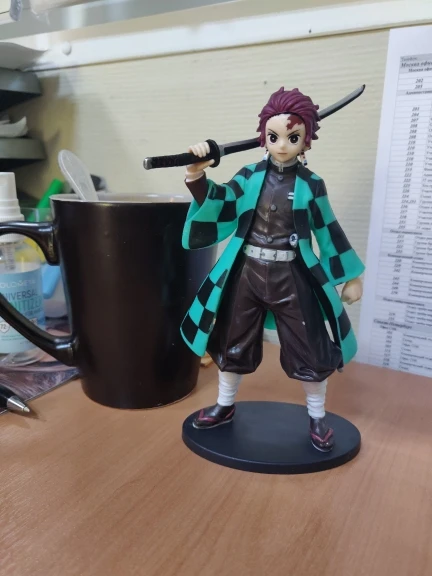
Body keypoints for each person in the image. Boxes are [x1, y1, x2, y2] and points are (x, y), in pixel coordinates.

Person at [180, 87, 364, 452]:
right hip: (246, 272)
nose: (282, 145)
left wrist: (351, 276)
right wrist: (195, 174)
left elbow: (328, 229)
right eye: (274, 136)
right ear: (263, 135)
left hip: (293, 276)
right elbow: (222, 202)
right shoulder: (249, 176)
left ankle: (317, 416)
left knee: (310, 347)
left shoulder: (312, 185)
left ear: (306, 141)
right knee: (231, 342)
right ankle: (224, 405)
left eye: (292, 138)